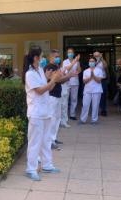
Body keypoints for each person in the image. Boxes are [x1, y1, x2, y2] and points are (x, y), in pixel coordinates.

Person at [23, 46, 62, 181]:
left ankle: (47, 165)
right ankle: (31, 168)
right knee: (35, 142)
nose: (43, 58)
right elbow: (39, 90)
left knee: (46, 140)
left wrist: (52, 79)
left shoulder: (40, 70)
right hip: (36, 113)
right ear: (36, 58)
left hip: (45, 112)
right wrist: (53, 80)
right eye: (41, 56)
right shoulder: (29, 74)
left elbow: (48, 88)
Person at [44, 50, 74, 150]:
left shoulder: (56, 67)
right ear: (51, 57)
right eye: (56, 56)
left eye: (58, 56)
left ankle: (54, 138)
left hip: (58, 94)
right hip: (51, 96)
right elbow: (56, 80)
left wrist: (67, 77)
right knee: (52, 118)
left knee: (57, 118)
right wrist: (68, 76)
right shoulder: (49, 67)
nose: (58, 58)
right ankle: (49, 141)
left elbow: (60, 81)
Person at [79, 57, 103, 125]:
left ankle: (94, 120)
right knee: (85, 105)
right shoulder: (85, 71)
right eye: (90, 61)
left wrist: (94, 76)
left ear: (95, 62)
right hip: (87, 90)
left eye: (92, 61)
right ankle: (83, 120)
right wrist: (90, 77)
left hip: (96, 90)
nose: (91, 63)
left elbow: (99, 81)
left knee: (95, 106)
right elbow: (84, 81)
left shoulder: (99, 70)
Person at [62, 48, 81, 121]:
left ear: (73, 53)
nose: (70, 54)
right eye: (69, 52)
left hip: (75, 82)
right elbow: (67, 69)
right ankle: (65, 115)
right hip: (67, 81)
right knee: (66, 99)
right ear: (67, 54)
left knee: (74, 99)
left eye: (71, 52)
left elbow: (79, 70)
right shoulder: (65, 62)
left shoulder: (77, 62)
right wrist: (75, 61)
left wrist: (77, 72)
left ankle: (72, 114)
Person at [93, 51, 108, 116]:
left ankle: (103, 109)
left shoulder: (103, 61)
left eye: (98, 55)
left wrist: (101, 59)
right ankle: (95, 109)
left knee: (103, 95)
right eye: (95, 56)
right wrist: (96, 62)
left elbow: (105, 66)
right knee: (95, 95)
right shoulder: (93, 61)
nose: (97, 57)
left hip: (103, 80)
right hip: (95, 80)